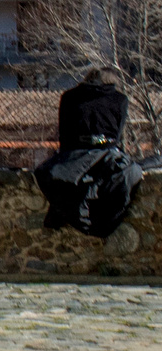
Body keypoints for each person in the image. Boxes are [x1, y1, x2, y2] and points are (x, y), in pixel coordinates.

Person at [38, 69, 141, 238]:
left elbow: (64, 133)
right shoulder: (120, 100)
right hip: (107, 153)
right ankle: (100, 224)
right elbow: (117, 135)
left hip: (74, 155)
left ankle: (77, 218)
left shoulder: (69, 97)